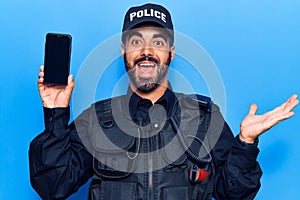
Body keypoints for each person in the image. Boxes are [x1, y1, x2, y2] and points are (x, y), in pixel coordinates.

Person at [29, 3, 299, 200]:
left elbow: (235, 194)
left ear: (171, 52)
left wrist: (245, 143)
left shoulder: (205, 117)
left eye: (157, 42)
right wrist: (55, 112)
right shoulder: (97, 120)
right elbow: (54, 186)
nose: (146, 51)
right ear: (124, 51)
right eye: (136, 41)